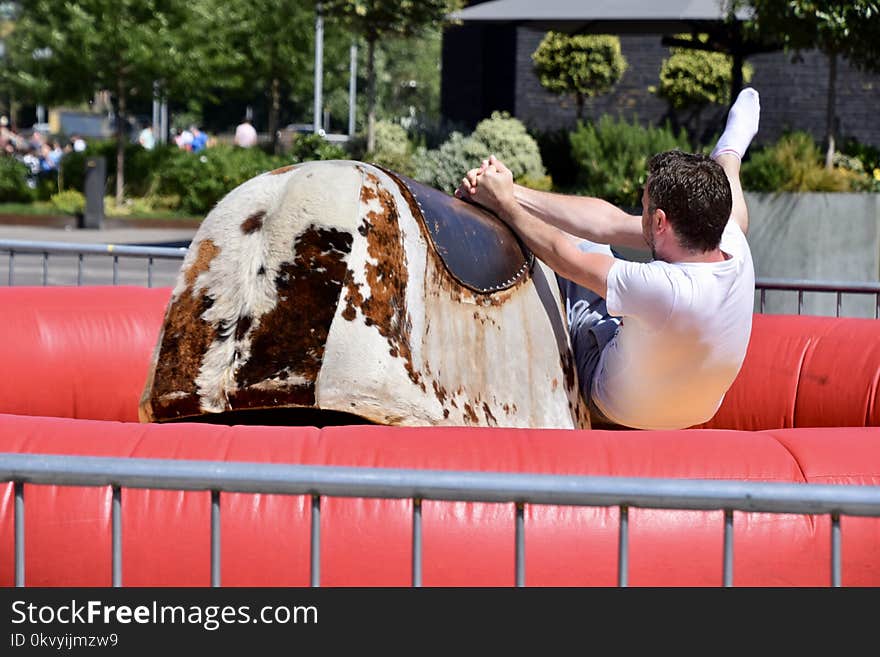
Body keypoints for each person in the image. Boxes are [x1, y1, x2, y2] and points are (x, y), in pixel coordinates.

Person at [456, 88, 761, 431]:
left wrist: (505, 207)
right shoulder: (731, 235)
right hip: (698, 410)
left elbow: (565, 254)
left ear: (660, 221)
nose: (639, 211)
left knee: (580, 251)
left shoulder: (665, 289)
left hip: (614, 406)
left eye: (644, 206)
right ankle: (731, 147)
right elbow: (611, 222)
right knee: (725, 179)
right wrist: (512, 192)